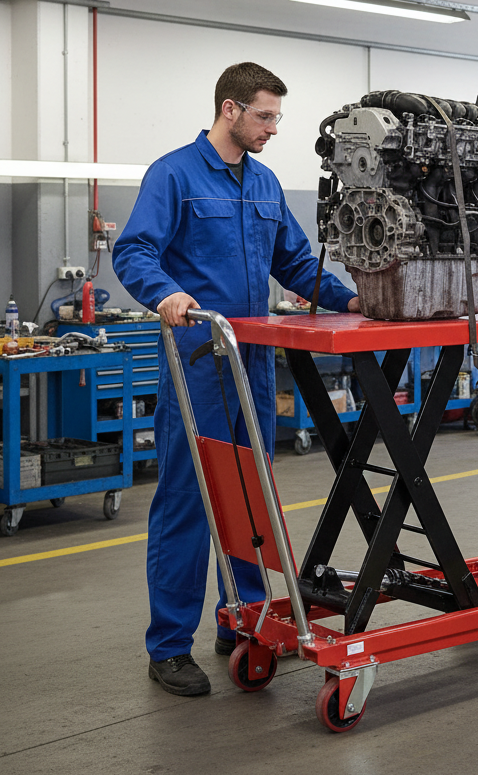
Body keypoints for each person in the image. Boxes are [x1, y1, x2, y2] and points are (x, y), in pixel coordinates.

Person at [113, 61, 360, 696]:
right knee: (188, 501)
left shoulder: (267, 183)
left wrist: (353, 300)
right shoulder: (174, 175)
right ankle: (168, 647)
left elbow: (296, 261)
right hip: (198, 359)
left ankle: (243, 620)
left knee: (250, 497)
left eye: (277, 116)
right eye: (265, 116)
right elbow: (134, 251)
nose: (273, 128)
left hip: (249, 357)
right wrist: (166, 293)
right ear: (230, 110)